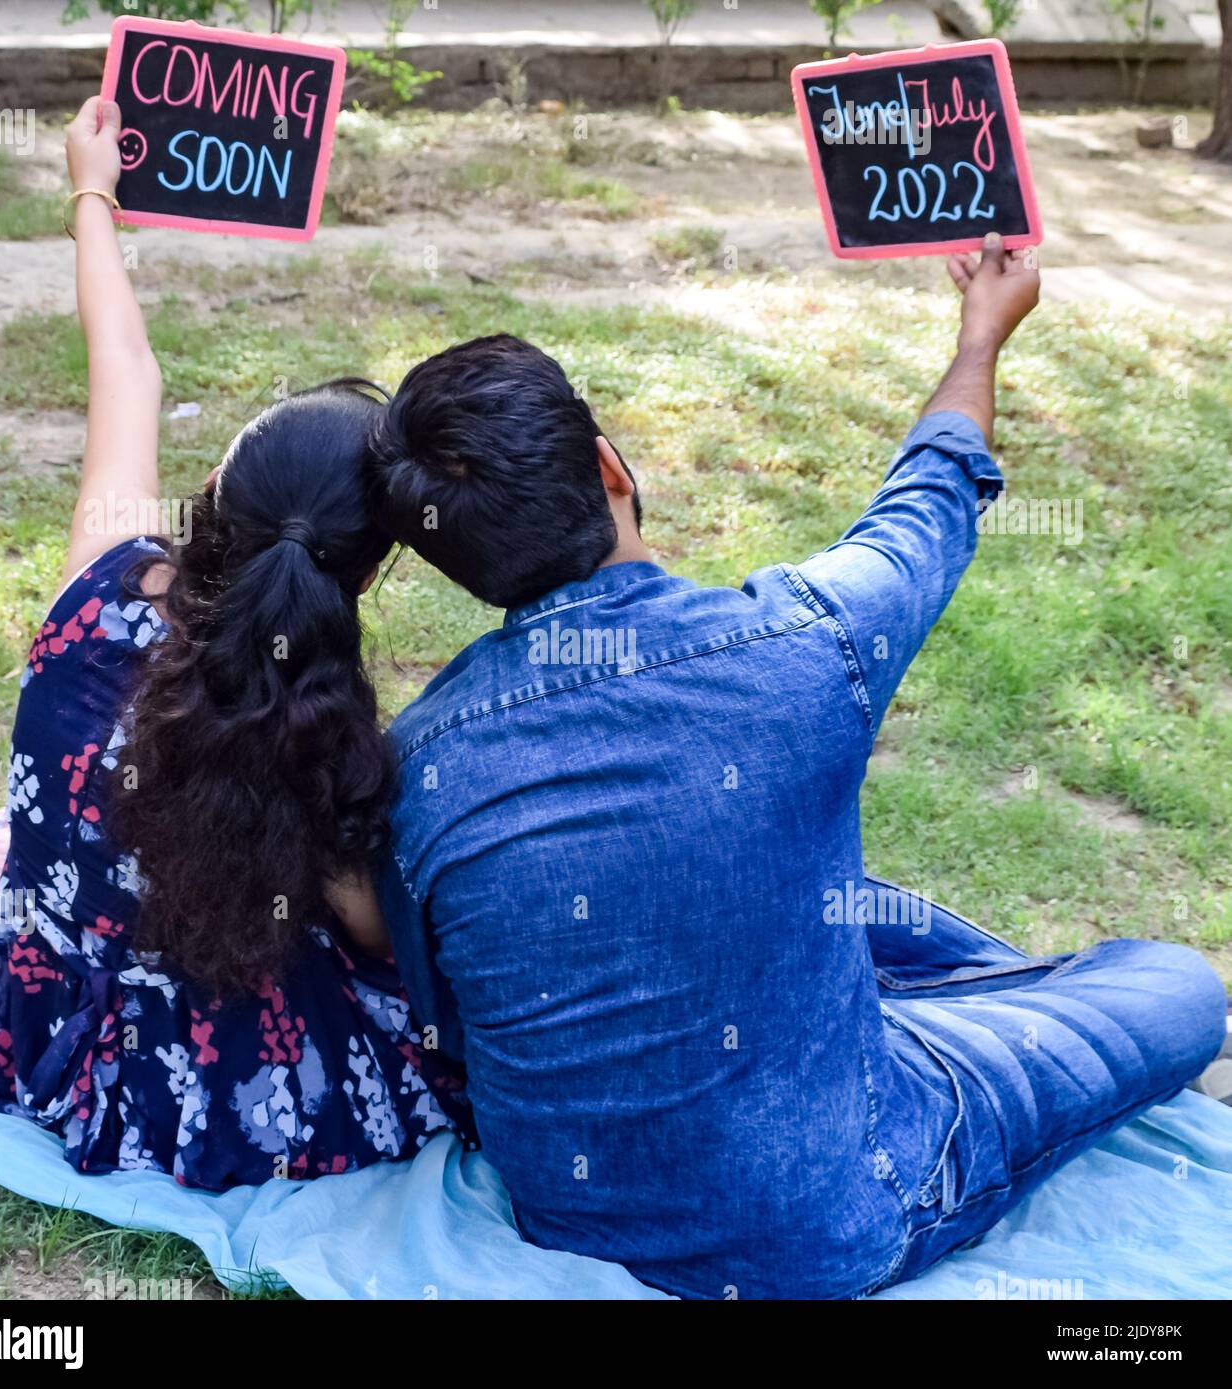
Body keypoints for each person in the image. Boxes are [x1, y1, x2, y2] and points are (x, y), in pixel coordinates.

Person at [367, 236, 1227, 1298]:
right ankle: (969, 1011)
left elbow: (447, 1016)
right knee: (1176, 988)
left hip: (570, 1220)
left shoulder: (413, 761)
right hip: (840, 1215)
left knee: (813, 900)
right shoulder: (799, 650)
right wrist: (981, 334)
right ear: (610, 469)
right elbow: (929, 501)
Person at [0, 97, 468, 1186]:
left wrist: (92, 189)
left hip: (47, 1036)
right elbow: (371, 936)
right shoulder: (316, 723)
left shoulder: (96, 582)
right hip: (223, 1095)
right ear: (367, 574)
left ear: (215, 490)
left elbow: (125, 369)